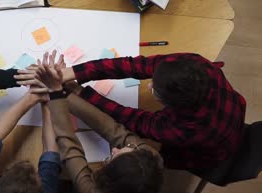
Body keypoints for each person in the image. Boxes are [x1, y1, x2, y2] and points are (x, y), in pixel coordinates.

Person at [20, 52, 163, 193]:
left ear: (106, 180)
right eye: (125, 149)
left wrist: (54, 94)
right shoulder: (150, 157)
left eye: (111, 157)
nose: (114, 148)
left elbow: (70, 148)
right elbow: (111, 129)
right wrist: (62, 93)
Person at [16, 53, 246, 171]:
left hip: (209, 149)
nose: (148, 85)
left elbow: (131, 118)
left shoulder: (186, 130)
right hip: (231, 109)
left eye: (155, 91)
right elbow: (133, 65)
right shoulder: (193, 63)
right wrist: (72, 72)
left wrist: (82, 94)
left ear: (172, 107)